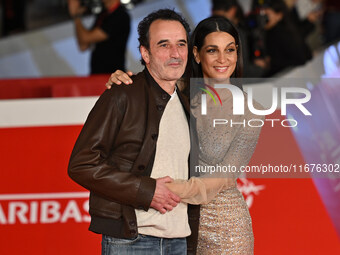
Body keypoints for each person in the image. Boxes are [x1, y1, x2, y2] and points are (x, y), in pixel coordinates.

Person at [107, 16, 264, 254]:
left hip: (225, 228)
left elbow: (221, 179)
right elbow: (141, 89)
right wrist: (120, 81)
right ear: (197, 54)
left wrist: (157, 190)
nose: (223, 59)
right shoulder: (176, 92)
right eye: (213, 50)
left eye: (230, 50)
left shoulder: (252, 111)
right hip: (177, 223)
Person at [68, 9, 200, 255]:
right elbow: (81, 164)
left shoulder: (189, 99)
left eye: (181, 44)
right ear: (145, 53)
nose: (175, 53)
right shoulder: (121, 94)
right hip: (132, 242)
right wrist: (146, 191)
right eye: (164, 45)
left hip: (180, 240)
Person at [67, 0, 130, 74]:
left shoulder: (120, 16)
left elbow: (85, 38)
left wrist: (76, 16)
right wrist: (77, 15)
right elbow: (83, 45)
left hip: (111, 76)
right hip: (97, 75)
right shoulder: (103, 15)